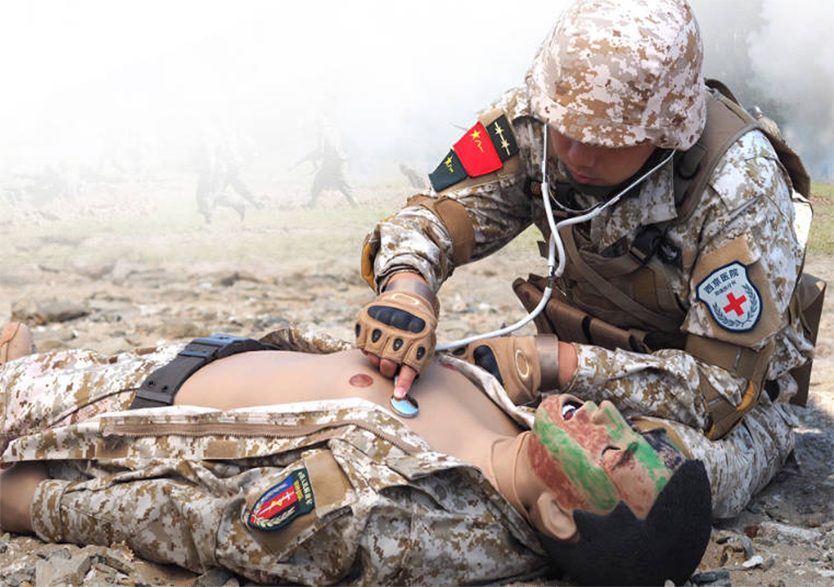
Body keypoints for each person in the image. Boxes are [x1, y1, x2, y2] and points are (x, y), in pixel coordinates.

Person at [355, 0, 819, 513]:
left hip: (721, 413)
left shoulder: (739, 186)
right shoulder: (540, 118)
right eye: (566, 130)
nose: (575, 154)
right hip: (565, 382)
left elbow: (719, 394)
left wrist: (552, 364)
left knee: (628, 484)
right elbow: (437, 217)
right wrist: (407, 287)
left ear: (667, 132)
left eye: (605, 141)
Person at [0, 322, 713, 586]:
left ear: (559, 514)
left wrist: (33, 503)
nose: (604, 419)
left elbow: (204, 521)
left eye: (611, 452)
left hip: (91, 420)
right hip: (160, 362)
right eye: (628, 428)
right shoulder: (517, 424)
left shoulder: (411, 520)